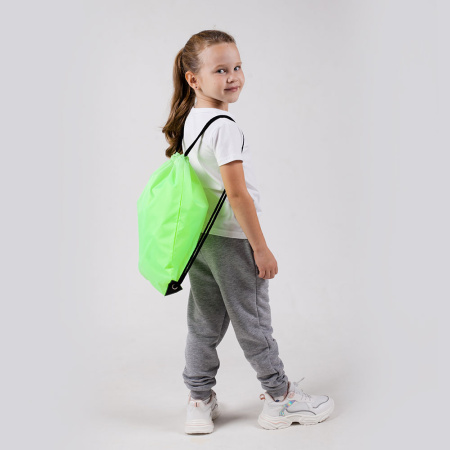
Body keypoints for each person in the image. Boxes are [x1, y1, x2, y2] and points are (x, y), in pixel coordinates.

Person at [161, 29, 334, 434]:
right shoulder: (224, 126)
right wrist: (261, 248)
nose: (233, 76)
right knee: (253, 322)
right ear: (193, 79)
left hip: (201, 241)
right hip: (233, 241)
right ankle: (279, 398)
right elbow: (237, 196)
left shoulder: (190, 119)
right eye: (221, 70)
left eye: (237, 67)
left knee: (203, 324)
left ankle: (198, 400)